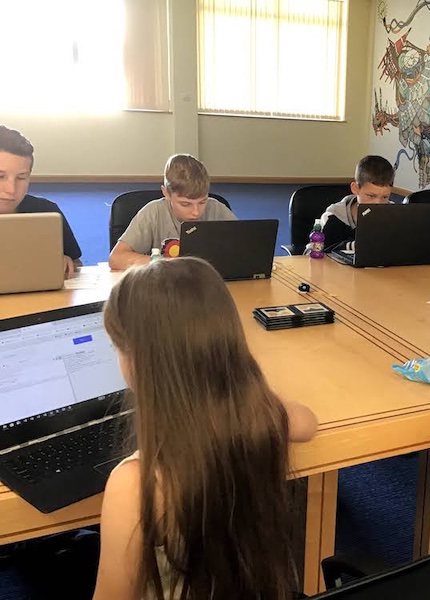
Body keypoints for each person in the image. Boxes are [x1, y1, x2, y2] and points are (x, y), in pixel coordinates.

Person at [93, 257, 318, 600]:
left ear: (139, 362)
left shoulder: (135, 483)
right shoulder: (262, 418)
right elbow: (307, 423)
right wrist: (241, 379)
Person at [109, 154, 236, 270]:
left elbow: (247, 249)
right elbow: (116, 258)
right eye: (185, 204)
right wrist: (169, 264)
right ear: (166, 193)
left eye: (202, 202)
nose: (196, 212)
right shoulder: (153, 212)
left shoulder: (217, 209)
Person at [0, 125, 82, 275]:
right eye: (0, 176)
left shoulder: (46, 211)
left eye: (21, 178)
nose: (11, 189)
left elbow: (76, 263)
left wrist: (65, 263)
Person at [312, 155, 394, 252]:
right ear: (355, 188)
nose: (378, 204)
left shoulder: (394, 216)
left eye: (385, 197)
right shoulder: (331, 217)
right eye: (371, 196)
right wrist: (354, 246)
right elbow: (310, 254)